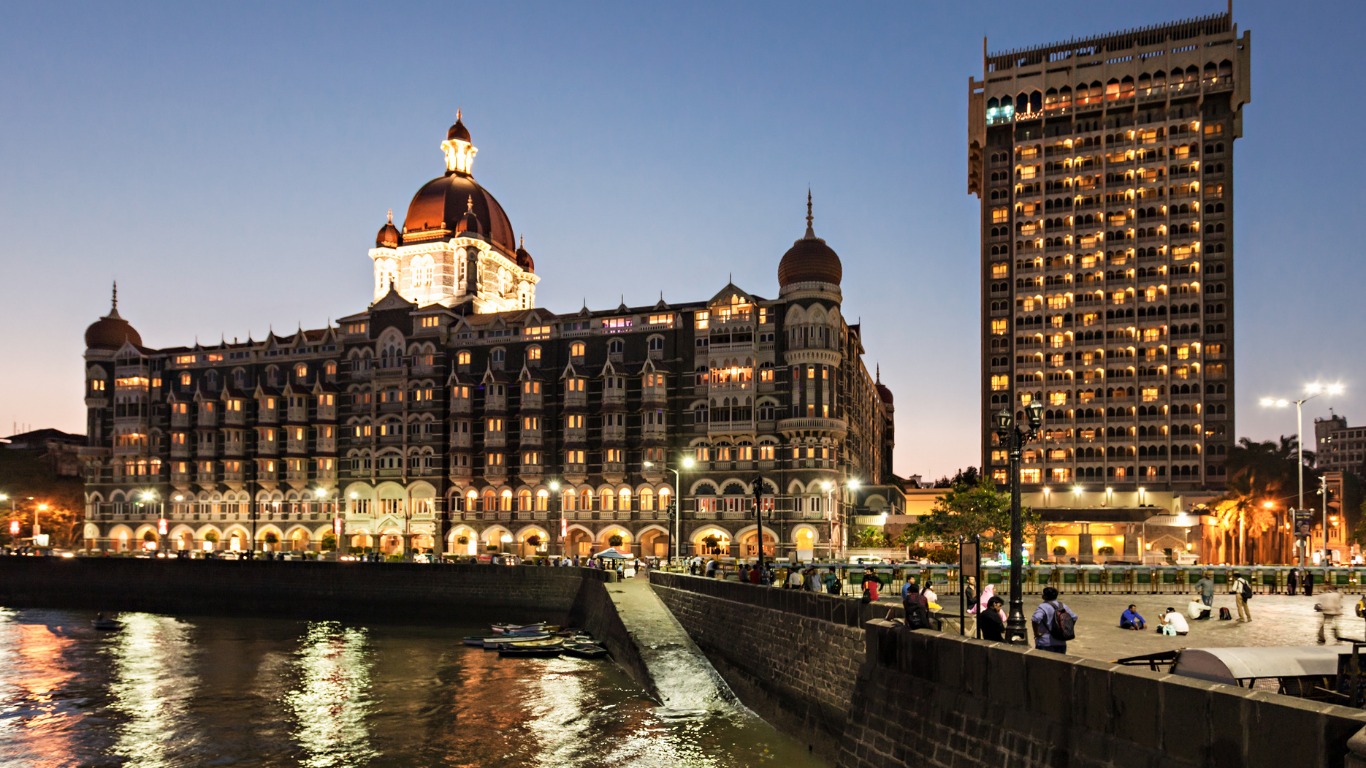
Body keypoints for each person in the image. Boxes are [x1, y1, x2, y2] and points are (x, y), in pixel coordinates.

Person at [1031, 586, 1078, 654]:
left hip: (1045, 642)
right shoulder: (1062, 606)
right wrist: (1066, 629)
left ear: (1045, 596)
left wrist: (1036, 633)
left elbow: (1035, 619)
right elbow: (1074, 617)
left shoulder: (1043, 606)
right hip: (1061, 641)